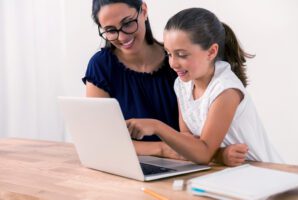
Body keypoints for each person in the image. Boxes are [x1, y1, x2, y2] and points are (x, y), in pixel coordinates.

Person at [83, 0, 248, 166]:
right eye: (110, 30)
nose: (122, 37)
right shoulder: (102, 66)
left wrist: (212, 154)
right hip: (141, 165)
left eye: (127, 23)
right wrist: (163, 149)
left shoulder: (184, 69)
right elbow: (100, 140)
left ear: (144, 11)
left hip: (189, 166)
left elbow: (199, 145)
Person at [126, 7, 283, 164]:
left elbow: (203, 153)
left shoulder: (225, 90)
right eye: (169, 53)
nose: (173, 63)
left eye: (182, 54)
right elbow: (187, 139)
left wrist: (156, 126)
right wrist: (220, 154)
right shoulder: (182, 84)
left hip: (263, 171)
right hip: (226, 170)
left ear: (211, 52)